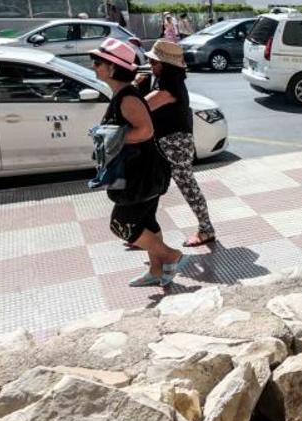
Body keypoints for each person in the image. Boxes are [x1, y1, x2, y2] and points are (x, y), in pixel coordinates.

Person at [90, 38, 186, 287]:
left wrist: (109, 138)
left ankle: (170, 255)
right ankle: (156, 271)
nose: (93, 65)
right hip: (142, 171)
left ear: (112, 68)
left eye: (98, 62)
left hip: (139, 174)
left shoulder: (127, 99)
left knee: (121, 225)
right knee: (147, 222)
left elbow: (145, 131)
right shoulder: (123, 92)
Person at [141, 40, 216, 247]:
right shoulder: (164, 81)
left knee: (187, 186)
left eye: (154, 62)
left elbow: (142, 107)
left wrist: (130, 89)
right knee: (151, 185)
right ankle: (142, 231)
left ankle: (206, 230)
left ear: (166, 65)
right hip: (163, 143)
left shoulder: (169, 87)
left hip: (176, 144)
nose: (150, 65)